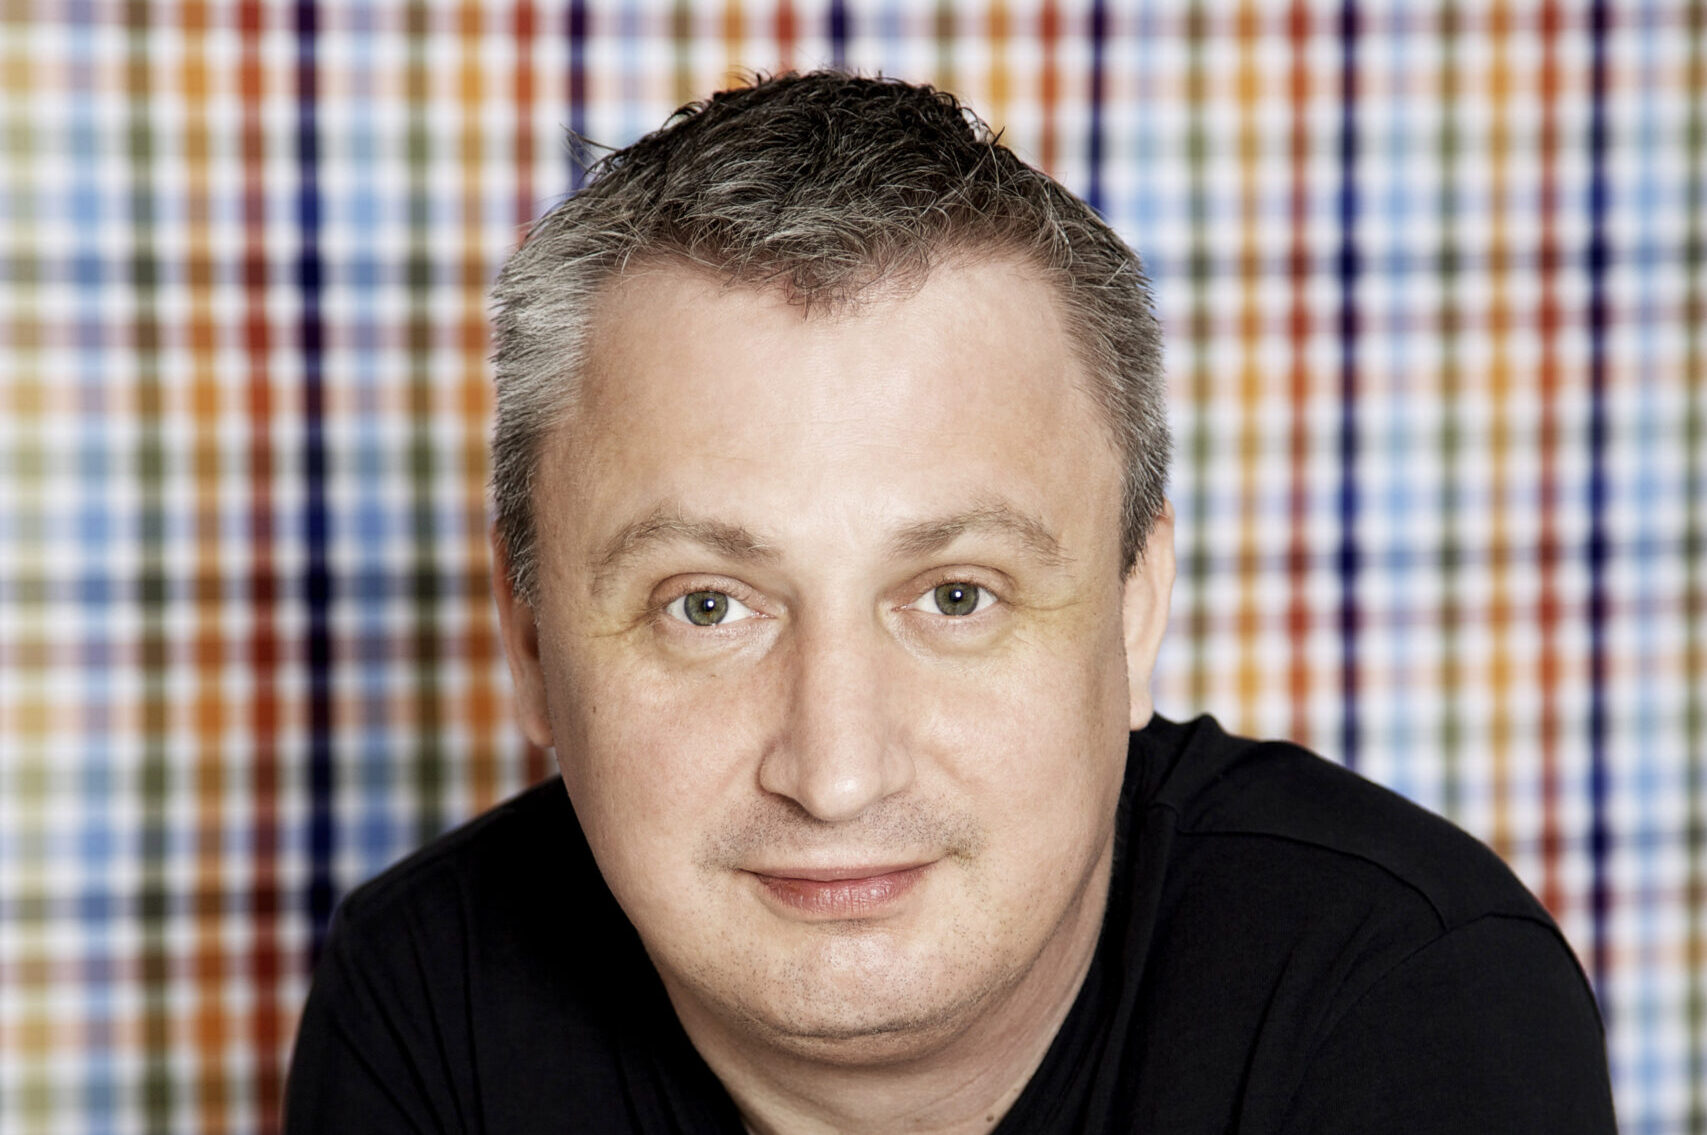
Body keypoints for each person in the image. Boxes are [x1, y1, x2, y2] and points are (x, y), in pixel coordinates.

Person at [283, 71, 1616, 1134]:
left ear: (1135, 610)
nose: (837, 775)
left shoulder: (1409, 997)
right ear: (530, 646)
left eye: (957, 595)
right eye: (706, 607)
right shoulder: (426, 1004)